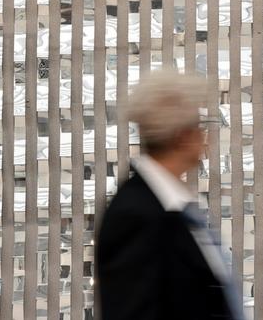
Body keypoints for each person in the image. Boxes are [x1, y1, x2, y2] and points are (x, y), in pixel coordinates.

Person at [96, 69, 244, 319]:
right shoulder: (137, 215)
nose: (205, 136)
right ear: (182, 136)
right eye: (199, 126)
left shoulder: (172, 206)